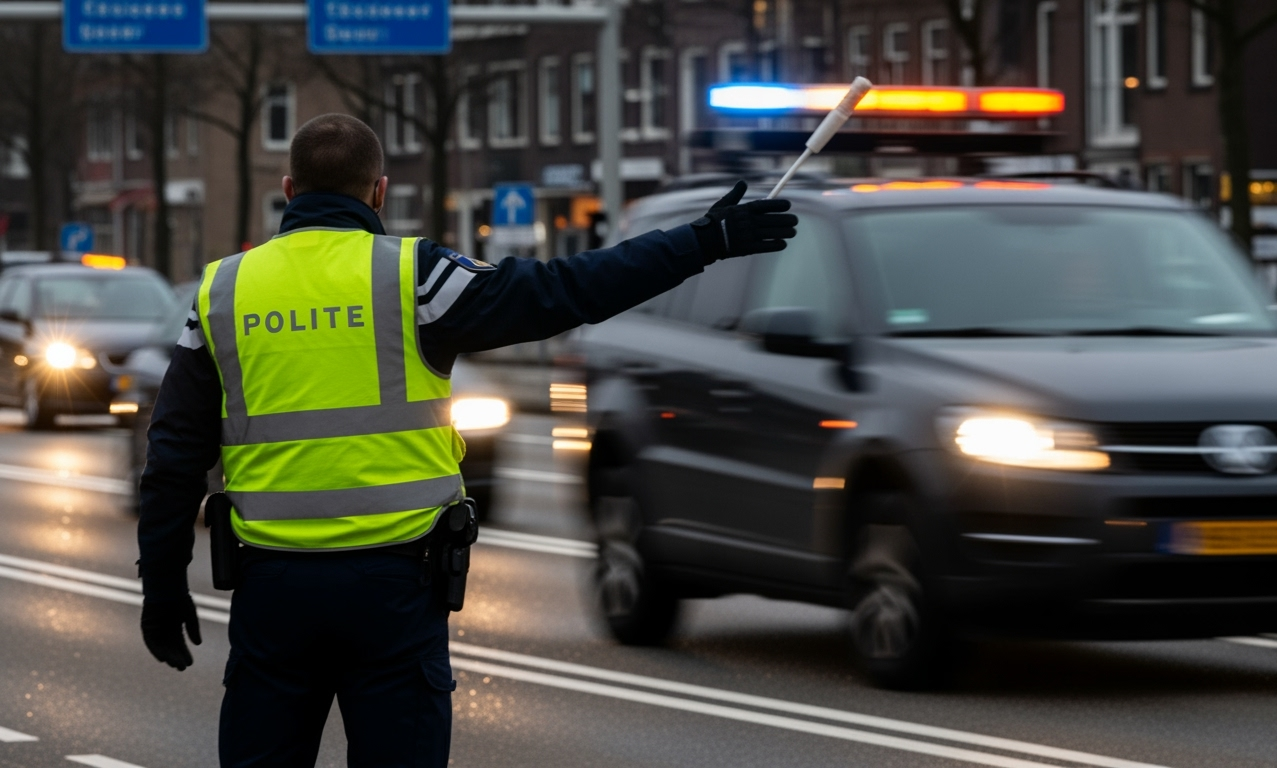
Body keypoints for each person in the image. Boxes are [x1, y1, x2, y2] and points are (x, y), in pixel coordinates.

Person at [136, 113, 797, 767]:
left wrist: (163, 589)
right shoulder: (413, 278)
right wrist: (701, 243)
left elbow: (173, 456)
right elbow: (566, 290)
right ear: (379, 191)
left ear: (287, 191)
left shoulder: (223, 292)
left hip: (272, 591)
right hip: (395, 590)